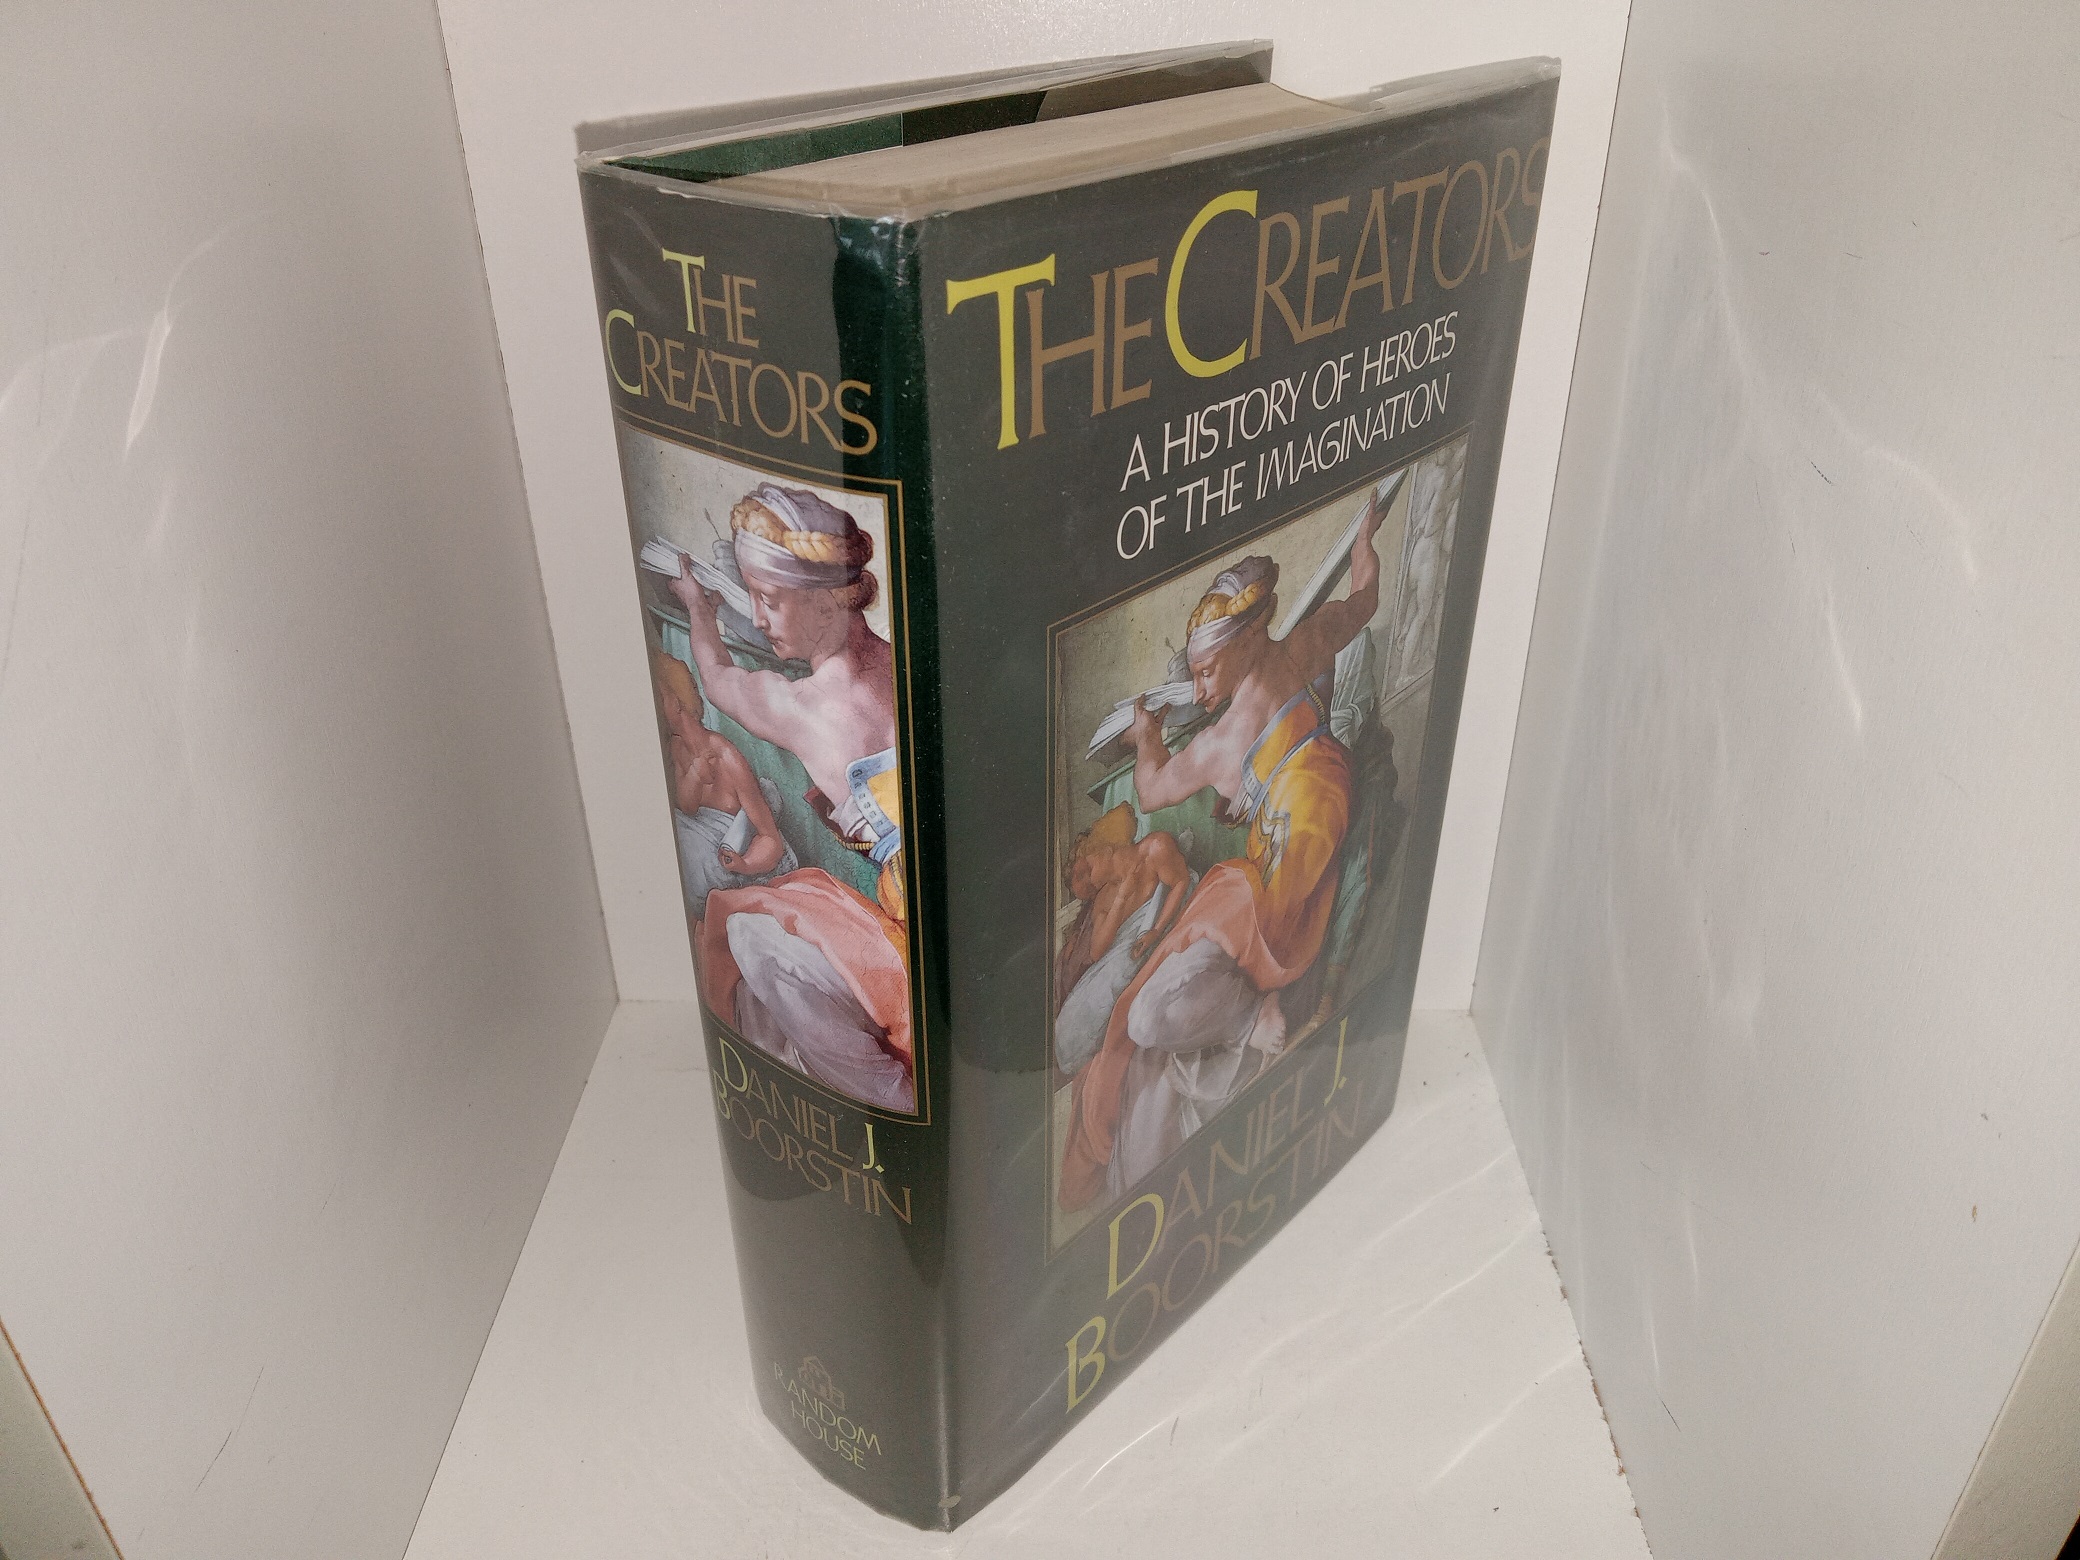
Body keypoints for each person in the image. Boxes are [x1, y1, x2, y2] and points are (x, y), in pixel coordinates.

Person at [1059, 489, 1387, 1209]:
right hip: (1294, 834)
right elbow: (1363, 601)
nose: (1201, 692)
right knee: (1144, 1032)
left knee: (1156, 1006)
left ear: (1248, 638)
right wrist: (1363, 547)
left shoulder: (1225, 736)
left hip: (1294, 845)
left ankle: (1248, 1017)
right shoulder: (1294, 656)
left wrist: (1148, 737)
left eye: (1206, 672)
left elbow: (1150, 790)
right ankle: (1227, 1035)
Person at [667, 482, 914, 1112]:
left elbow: (717, 678)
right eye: (751, 597)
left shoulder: (803, 709)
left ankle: (892, 1100)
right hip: (932, 908)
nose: (756, 618)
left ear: (828, 602)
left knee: (751, 935)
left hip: (915, 919)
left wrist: (698, 607)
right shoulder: (914, 667)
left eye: (769, 599)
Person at [651, 650, 796, 925]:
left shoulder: (728, 757)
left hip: (737, 854)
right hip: (702, 851)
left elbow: (770, 839)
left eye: (657, 697)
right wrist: (695, 776)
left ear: (678, 701)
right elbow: (687, 807)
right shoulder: (676, 748)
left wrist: (746, 864)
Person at [1053, 808, 1192, 1076]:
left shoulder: (1155, 847)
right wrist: (1120, 900)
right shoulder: (1106, 896)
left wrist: (1156, 930)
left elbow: (1181, 882)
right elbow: (1097, 951)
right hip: (1121, 953)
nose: (1091, 882)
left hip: (1148, 938)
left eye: (1088, 871)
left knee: (1114, 987)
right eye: (1087, 885)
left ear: (1106, 849)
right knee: (1078, 1013)